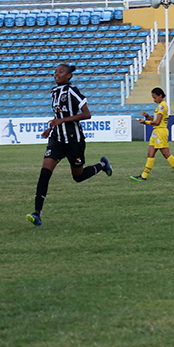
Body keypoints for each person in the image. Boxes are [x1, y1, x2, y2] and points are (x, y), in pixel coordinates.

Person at [28, 64, 113, 226]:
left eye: (61, 72)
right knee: (44, 174)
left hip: (74, 141)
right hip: (57, 140)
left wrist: (61, 121)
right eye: (55, 72)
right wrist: (51, 127)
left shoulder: (72, 90)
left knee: (78, 177)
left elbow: (87, 114)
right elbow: (59, 114)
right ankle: (37, 213)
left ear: (69, 76)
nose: (56, 74)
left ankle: (102, 165)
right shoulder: (54, 92)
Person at [131, 87, 174, 181]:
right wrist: (147, 117)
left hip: (160, 132)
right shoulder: (160, 106)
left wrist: (145, 122)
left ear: (160, 96)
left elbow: (158, 122)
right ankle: (143, 176)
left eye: (155, 97)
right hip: (156, 132)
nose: (154, 99)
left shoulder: (162, 106)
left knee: (166, 154)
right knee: (150, 154)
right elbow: (155, 120)